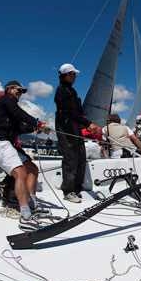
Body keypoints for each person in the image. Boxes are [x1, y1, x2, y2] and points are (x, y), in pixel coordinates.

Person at [0, 80, 51, 231]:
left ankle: (33, 205)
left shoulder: (10, 110)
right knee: (20, 173)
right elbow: (19, 113)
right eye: (18, 90)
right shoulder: (5, 99)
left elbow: (21, 127)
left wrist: (37, 128)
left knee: (32, 169)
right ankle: (26, 217)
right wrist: (38, 123)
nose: (20, 94)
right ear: (9, 89)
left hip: (7, 145)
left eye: (22, 92)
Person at [54, 63, 101, 203]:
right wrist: (88, 124)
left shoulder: (72, 91)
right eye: (73, 74)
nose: (75, 77)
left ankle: (77, 187)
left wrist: (86, 121)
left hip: (75, 128)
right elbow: (70, 112)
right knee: (70, 158)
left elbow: (78, 111)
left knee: (81, 155)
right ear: (67, 74)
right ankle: (68, 191)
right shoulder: (61, 91)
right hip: (66, 129)